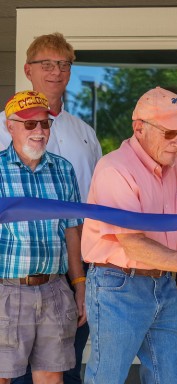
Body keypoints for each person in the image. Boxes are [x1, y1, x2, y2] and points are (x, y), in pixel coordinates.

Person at [81, 86, 177, 384]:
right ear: (139, 128)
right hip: (118, 286)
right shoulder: (114, 169)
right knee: (107, 379)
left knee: (172, 378)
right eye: (169, 133)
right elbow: (133, 243)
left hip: (164, 282)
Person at [0, 32, 102, 384]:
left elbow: (86, 210)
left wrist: (80, 281)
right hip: (9, 275)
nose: (56, 71)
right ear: (28, 69)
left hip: (70, 266)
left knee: (63, 366)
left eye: (63, 64)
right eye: (47, 64)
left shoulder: (84, 133)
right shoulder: (1, 130)